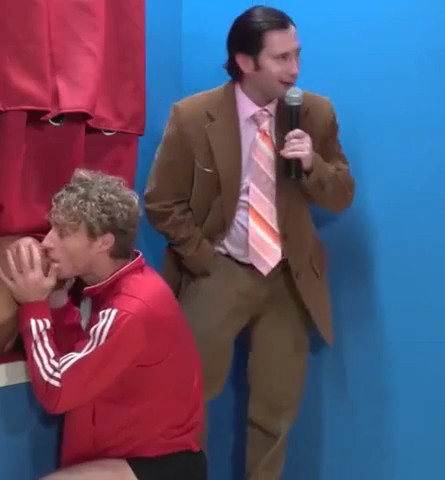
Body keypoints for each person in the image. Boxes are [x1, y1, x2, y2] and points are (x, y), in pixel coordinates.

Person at [143, 6, 355, 479]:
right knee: (187, 402)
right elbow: (160, 202)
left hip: (288, 277)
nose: (294, 69)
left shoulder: (314, 113)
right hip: (218, 269)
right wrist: (202, 258)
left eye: (297, 55)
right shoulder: (193, 117)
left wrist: (312, 165)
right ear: (244, 61)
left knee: (276, 410)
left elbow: (342, 194)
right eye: (281, 58)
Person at [0, 169, 207, 480]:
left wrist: (33, 306)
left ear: (103, 242)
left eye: (63, 233)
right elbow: (81, 362)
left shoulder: (130, 308)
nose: (47, 242)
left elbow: (57, 390)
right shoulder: (115, 288)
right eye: (52, 228)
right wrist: (57, 303)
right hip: (141, 459)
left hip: (159, 466)